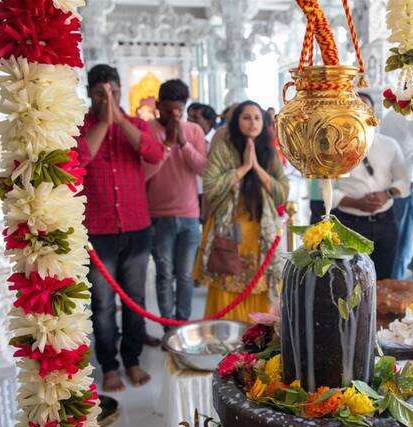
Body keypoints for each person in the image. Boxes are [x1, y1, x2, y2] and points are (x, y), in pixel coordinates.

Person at [76, 64, 164, 392]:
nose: (106, 99)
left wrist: (121, 120)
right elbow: (79, 159)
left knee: (135, 299)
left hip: (137, 228)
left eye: (112, 92)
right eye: (100, 94)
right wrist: (102, 122)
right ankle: (109, 366)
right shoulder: (81, 128)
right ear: (89, 95)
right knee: (101, 304)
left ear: (119, 91)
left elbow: (154, 153)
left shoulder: (136, 125)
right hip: (98, 232)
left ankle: (132, 360)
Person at [194, 101, 289, 322]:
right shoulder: (224, 149)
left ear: (263, 122)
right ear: (236, 121)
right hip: (229, 231)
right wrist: (243, 168)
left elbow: (282, 193)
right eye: (246, 117)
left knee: (261, 288)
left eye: (257, 118)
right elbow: (210, 187)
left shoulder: (269, 151)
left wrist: (257, 168)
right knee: (228, 287)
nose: (252, 123)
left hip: (261, 232)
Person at [143, 79, 207, 329]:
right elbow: (144, 173)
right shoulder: (146, 130)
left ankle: (183, 326)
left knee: (185, 276)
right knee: (164, 275)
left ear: (185, 107)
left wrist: (183, 143)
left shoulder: (194, 131)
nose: (172, 115)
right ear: (157, 105)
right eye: (167, 110)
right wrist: (167, 144)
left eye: (178, 110)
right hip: (158, 216)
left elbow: (203, 169)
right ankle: (169, 327)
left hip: (190, 215)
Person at [331, 93, 409, 279]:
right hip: (349, 224)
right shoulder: (333, 147)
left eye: (365, 109)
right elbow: (324, 191)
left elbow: (404, 180)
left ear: (373, 113)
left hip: (385, 223)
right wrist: (357, 203)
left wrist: (387, 194)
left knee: (384, 282)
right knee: (349, 283)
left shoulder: (389, 145)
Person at [378, 71, 413, 283]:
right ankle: (396, 293)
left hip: (391, 184)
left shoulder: (390, 115)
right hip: (410, 187)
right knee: (405, 246)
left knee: (409, 243)